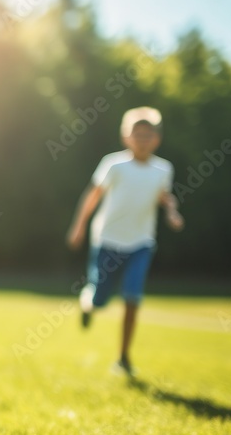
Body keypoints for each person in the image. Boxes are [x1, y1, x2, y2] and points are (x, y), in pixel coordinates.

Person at [66, 106, 184, 376]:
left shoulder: (163, 169)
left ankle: (123, 358)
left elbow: (164, 196)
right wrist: (79, 226)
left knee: (133, 297)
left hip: (141, 243)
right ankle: (88, 303)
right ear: (126, 137)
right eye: (137, 134)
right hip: (107, 240)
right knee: (100, 300)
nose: (142, 139)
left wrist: (172, 212)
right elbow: (93, 195)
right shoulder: (114, 164)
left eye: (148, 134)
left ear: (156, 139)